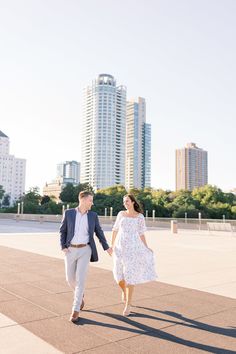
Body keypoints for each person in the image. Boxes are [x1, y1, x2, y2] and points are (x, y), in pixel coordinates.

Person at [59, 191, 113, 323]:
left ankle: (75, 309)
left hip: (85, 250)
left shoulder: (93, 216)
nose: (92, 203)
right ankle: (80, 295)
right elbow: (63, 230)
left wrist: (107, 247)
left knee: (81, 280)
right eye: (90, 200)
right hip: (70, 250)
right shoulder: (69, 213)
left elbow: (99, 232)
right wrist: (63, 246)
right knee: (70, 279)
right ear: (82, 200)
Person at [111, 194, 157, 316]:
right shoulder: (121, 214)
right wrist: (111, 245)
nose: (125, 203)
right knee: (118, 276)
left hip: (133, 248)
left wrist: (146, 247)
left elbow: (141, 233)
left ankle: (128, 305)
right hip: (120, 247)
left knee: (129, 276)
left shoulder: (140, 216)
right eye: (124, 201)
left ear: (132, 202)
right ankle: (124, 291)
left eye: (127, 201)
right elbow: (115, 229)